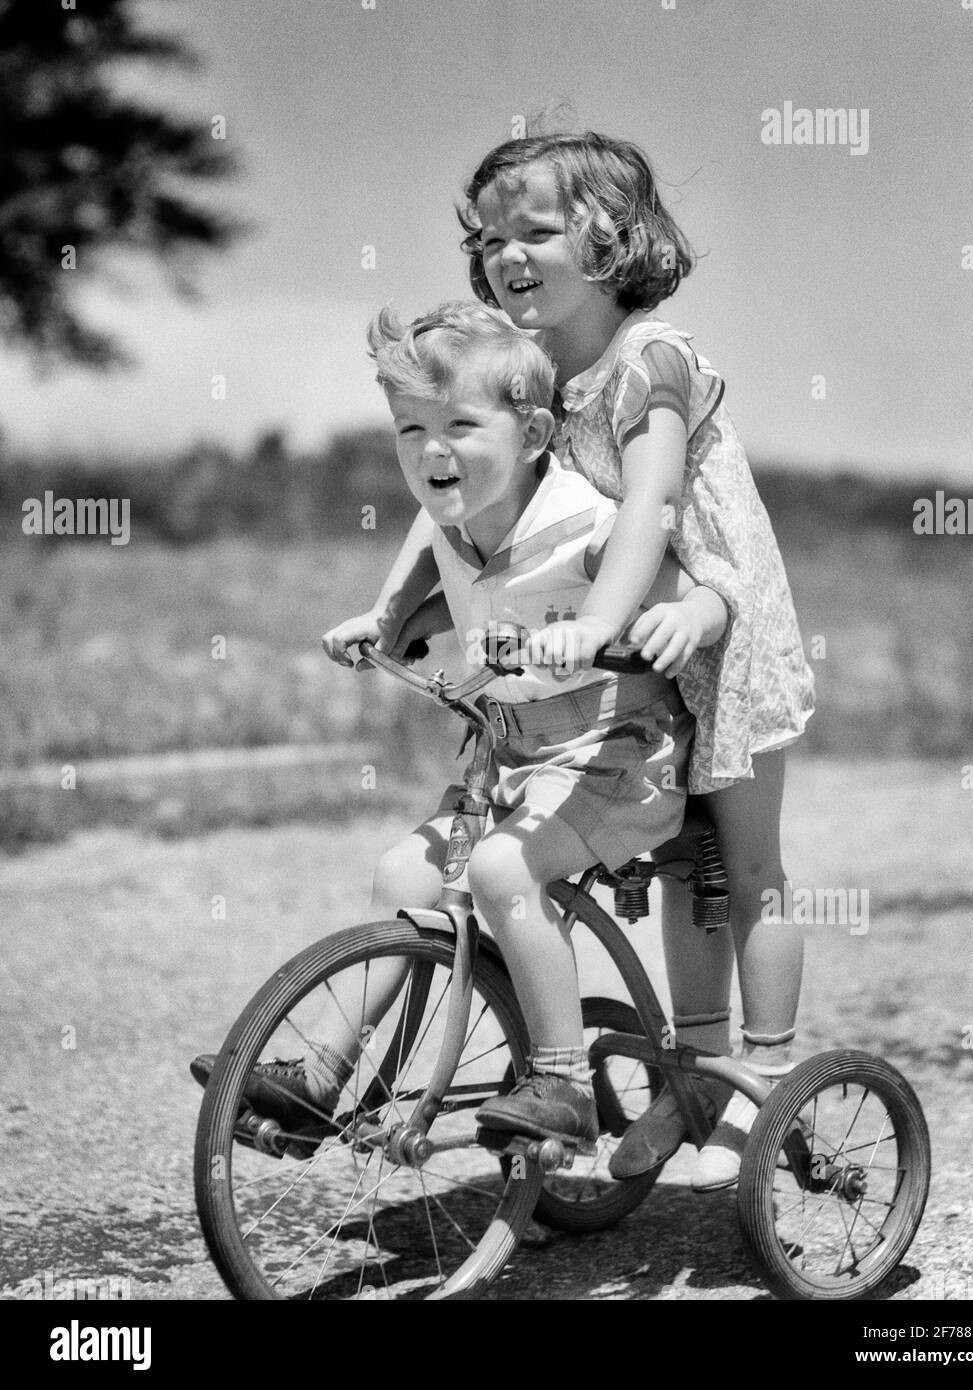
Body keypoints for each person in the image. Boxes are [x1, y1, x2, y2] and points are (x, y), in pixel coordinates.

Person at [194, 300, 721, 1145]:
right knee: (404, 873)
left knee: (504, 875)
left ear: (536, 432)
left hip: (619, 755)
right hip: (514, 755)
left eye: (460, 426)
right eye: (409, 430)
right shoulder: (456, 520)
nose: (432, 452)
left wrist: (645, 624)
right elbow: (448, 571)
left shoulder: (582, 521)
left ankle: (561, 1086)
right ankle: (321, 1077)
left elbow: (682, 588)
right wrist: (386, 618)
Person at [447, 130, 817, 1187]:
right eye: (487, 237)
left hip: (719, 625)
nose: (504, 254)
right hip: (635, 643)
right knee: (678, 873)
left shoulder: (648, 358)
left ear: (609, 240)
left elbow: (653, 505)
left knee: (744, 871)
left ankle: (763, 1081)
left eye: (534, 230)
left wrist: (596, 620)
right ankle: (690, 1080)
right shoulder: (530, 380)